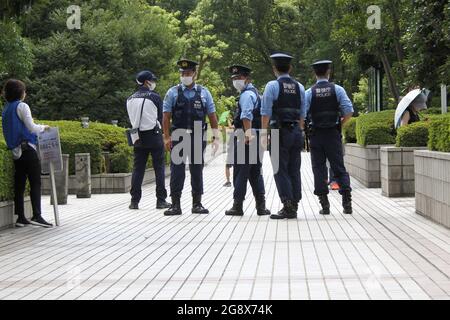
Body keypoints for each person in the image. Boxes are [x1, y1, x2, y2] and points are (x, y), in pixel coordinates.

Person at [162, 59, 220, 216]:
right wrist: (166, 138)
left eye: (188, 73)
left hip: (197, 135)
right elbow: (166, 117)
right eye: (182, 73)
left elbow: (212, 116)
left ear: (194, 74)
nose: (185, 76)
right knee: (177, 170)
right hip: (178, 135)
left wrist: (216, 137)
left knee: (196, 169)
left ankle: (197, 203)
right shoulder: (172, 92)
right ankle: (175, 204)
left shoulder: (204, 92)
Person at [1, 79, 53, 228]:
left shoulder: (6, 109)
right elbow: (31, 127)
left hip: (15, 151)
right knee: (35, 181)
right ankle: (37, 215)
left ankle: (21, 217)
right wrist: (45, 127)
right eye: (24, 91)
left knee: (20, 183)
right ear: (20, 93)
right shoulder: (22, 106)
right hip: (28, 149)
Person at [261, 52, 306, 220]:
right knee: (295, 169)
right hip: (295, 131)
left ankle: (287, 204)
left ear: (274, 69)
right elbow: (303, 112)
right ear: (290, 68)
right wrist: (300, 130)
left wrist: (264, 133)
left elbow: (265, 112)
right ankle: (294, 203)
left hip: (278, 132)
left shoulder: (272, 86)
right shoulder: (299, 87)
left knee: (280, 169)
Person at [305, 60, 354, 215]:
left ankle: (324, 205)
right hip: (333, 133)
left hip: (316, 135)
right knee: (339, 167)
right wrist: (341, 124)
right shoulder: (337, 90)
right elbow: (349, 111)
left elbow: (302, 115)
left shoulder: (309, 93)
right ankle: (347, 203)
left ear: (315, 73)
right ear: (328, 72)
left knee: (318, 169)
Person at [225, 65, 270, 216]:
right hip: (256, 137)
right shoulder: (256, 93)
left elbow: (246, 115)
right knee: (256, 172)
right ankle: (261, 206)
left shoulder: (246, 95)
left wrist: (248, 133)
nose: (236, 81)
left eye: (239, 78)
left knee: (240, 172)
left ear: (247, 79)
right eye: (234, 78)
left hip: (247, 137)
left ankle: (237, 206)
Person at [127, 71, 171, 211]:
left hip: (137, 137)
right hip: (153, 135)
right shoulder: (155, 97)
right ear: (147, 82)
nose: (153, 83)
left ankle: (134, 201)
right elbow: (160, 117)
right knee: (159, 168)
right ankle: (160, 200)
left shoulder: (130, 99)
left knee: (138, 169)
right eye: (152, 80)